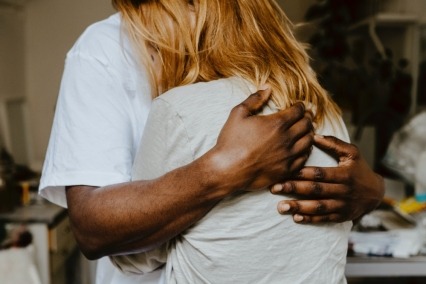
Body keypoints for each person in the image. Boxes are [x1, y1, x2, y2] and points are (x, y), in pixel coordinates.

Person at [38, 0, 384, 283]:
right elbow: (92, 228)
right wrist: (222, 169)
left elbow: (135, 259)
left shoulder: (180, 107)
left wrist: (373, 193)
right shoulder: (320, 106)